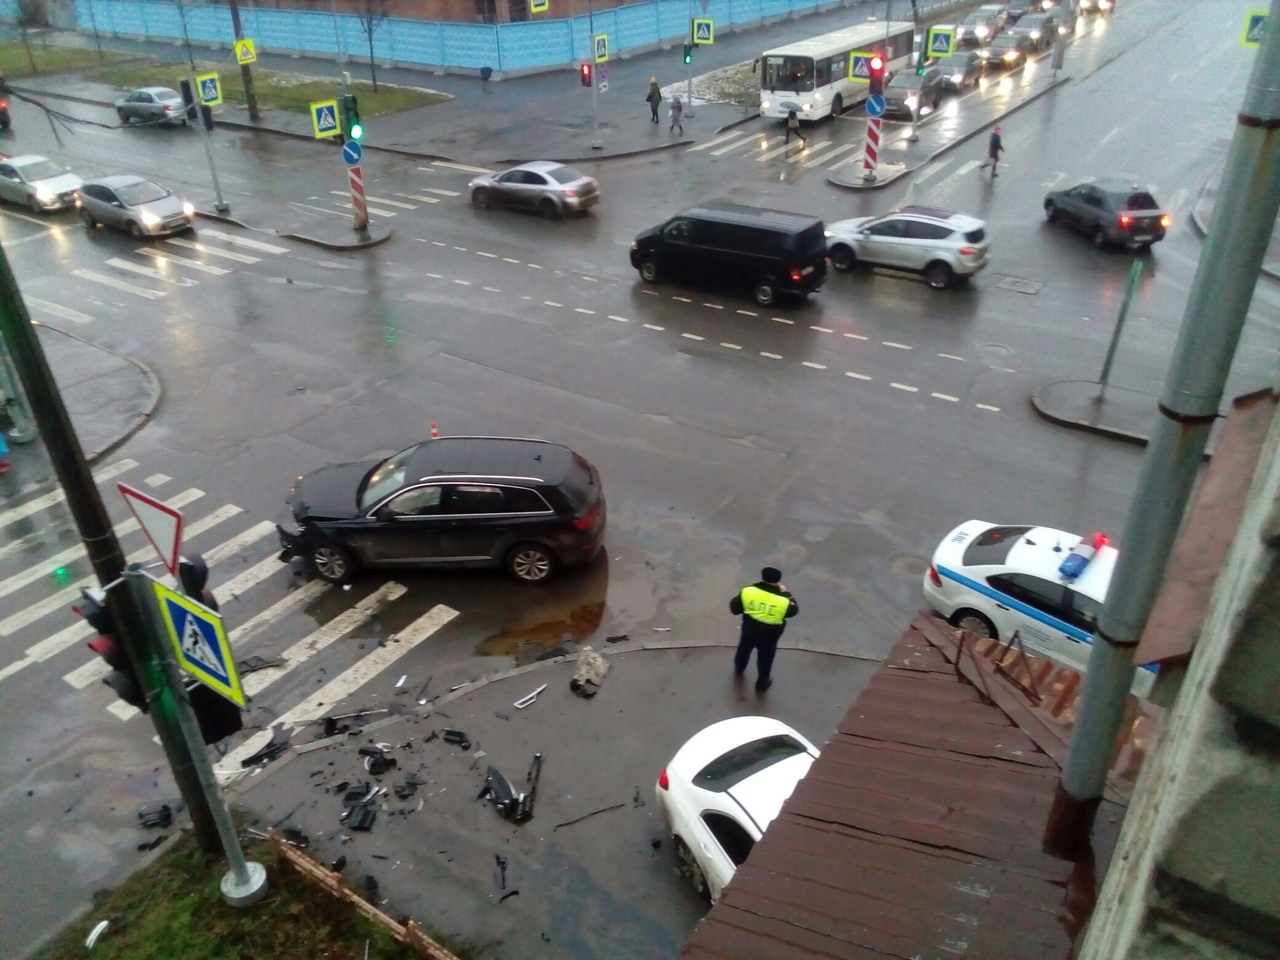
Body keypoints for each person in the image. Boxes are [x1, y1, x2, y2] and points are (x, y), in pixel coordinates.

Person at [730, 566, 799, 692]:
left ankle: (739, 670)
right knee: (765, 659)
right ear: (778, 581)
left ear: (762, 577)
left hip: (749, 630)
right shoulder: (783, 600)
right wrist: (786, 593)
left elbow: (734, 608)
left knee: (743, 651)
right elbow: (793, 611)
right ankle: (762, 683)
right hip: (770, 635)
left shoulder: (748, 591)